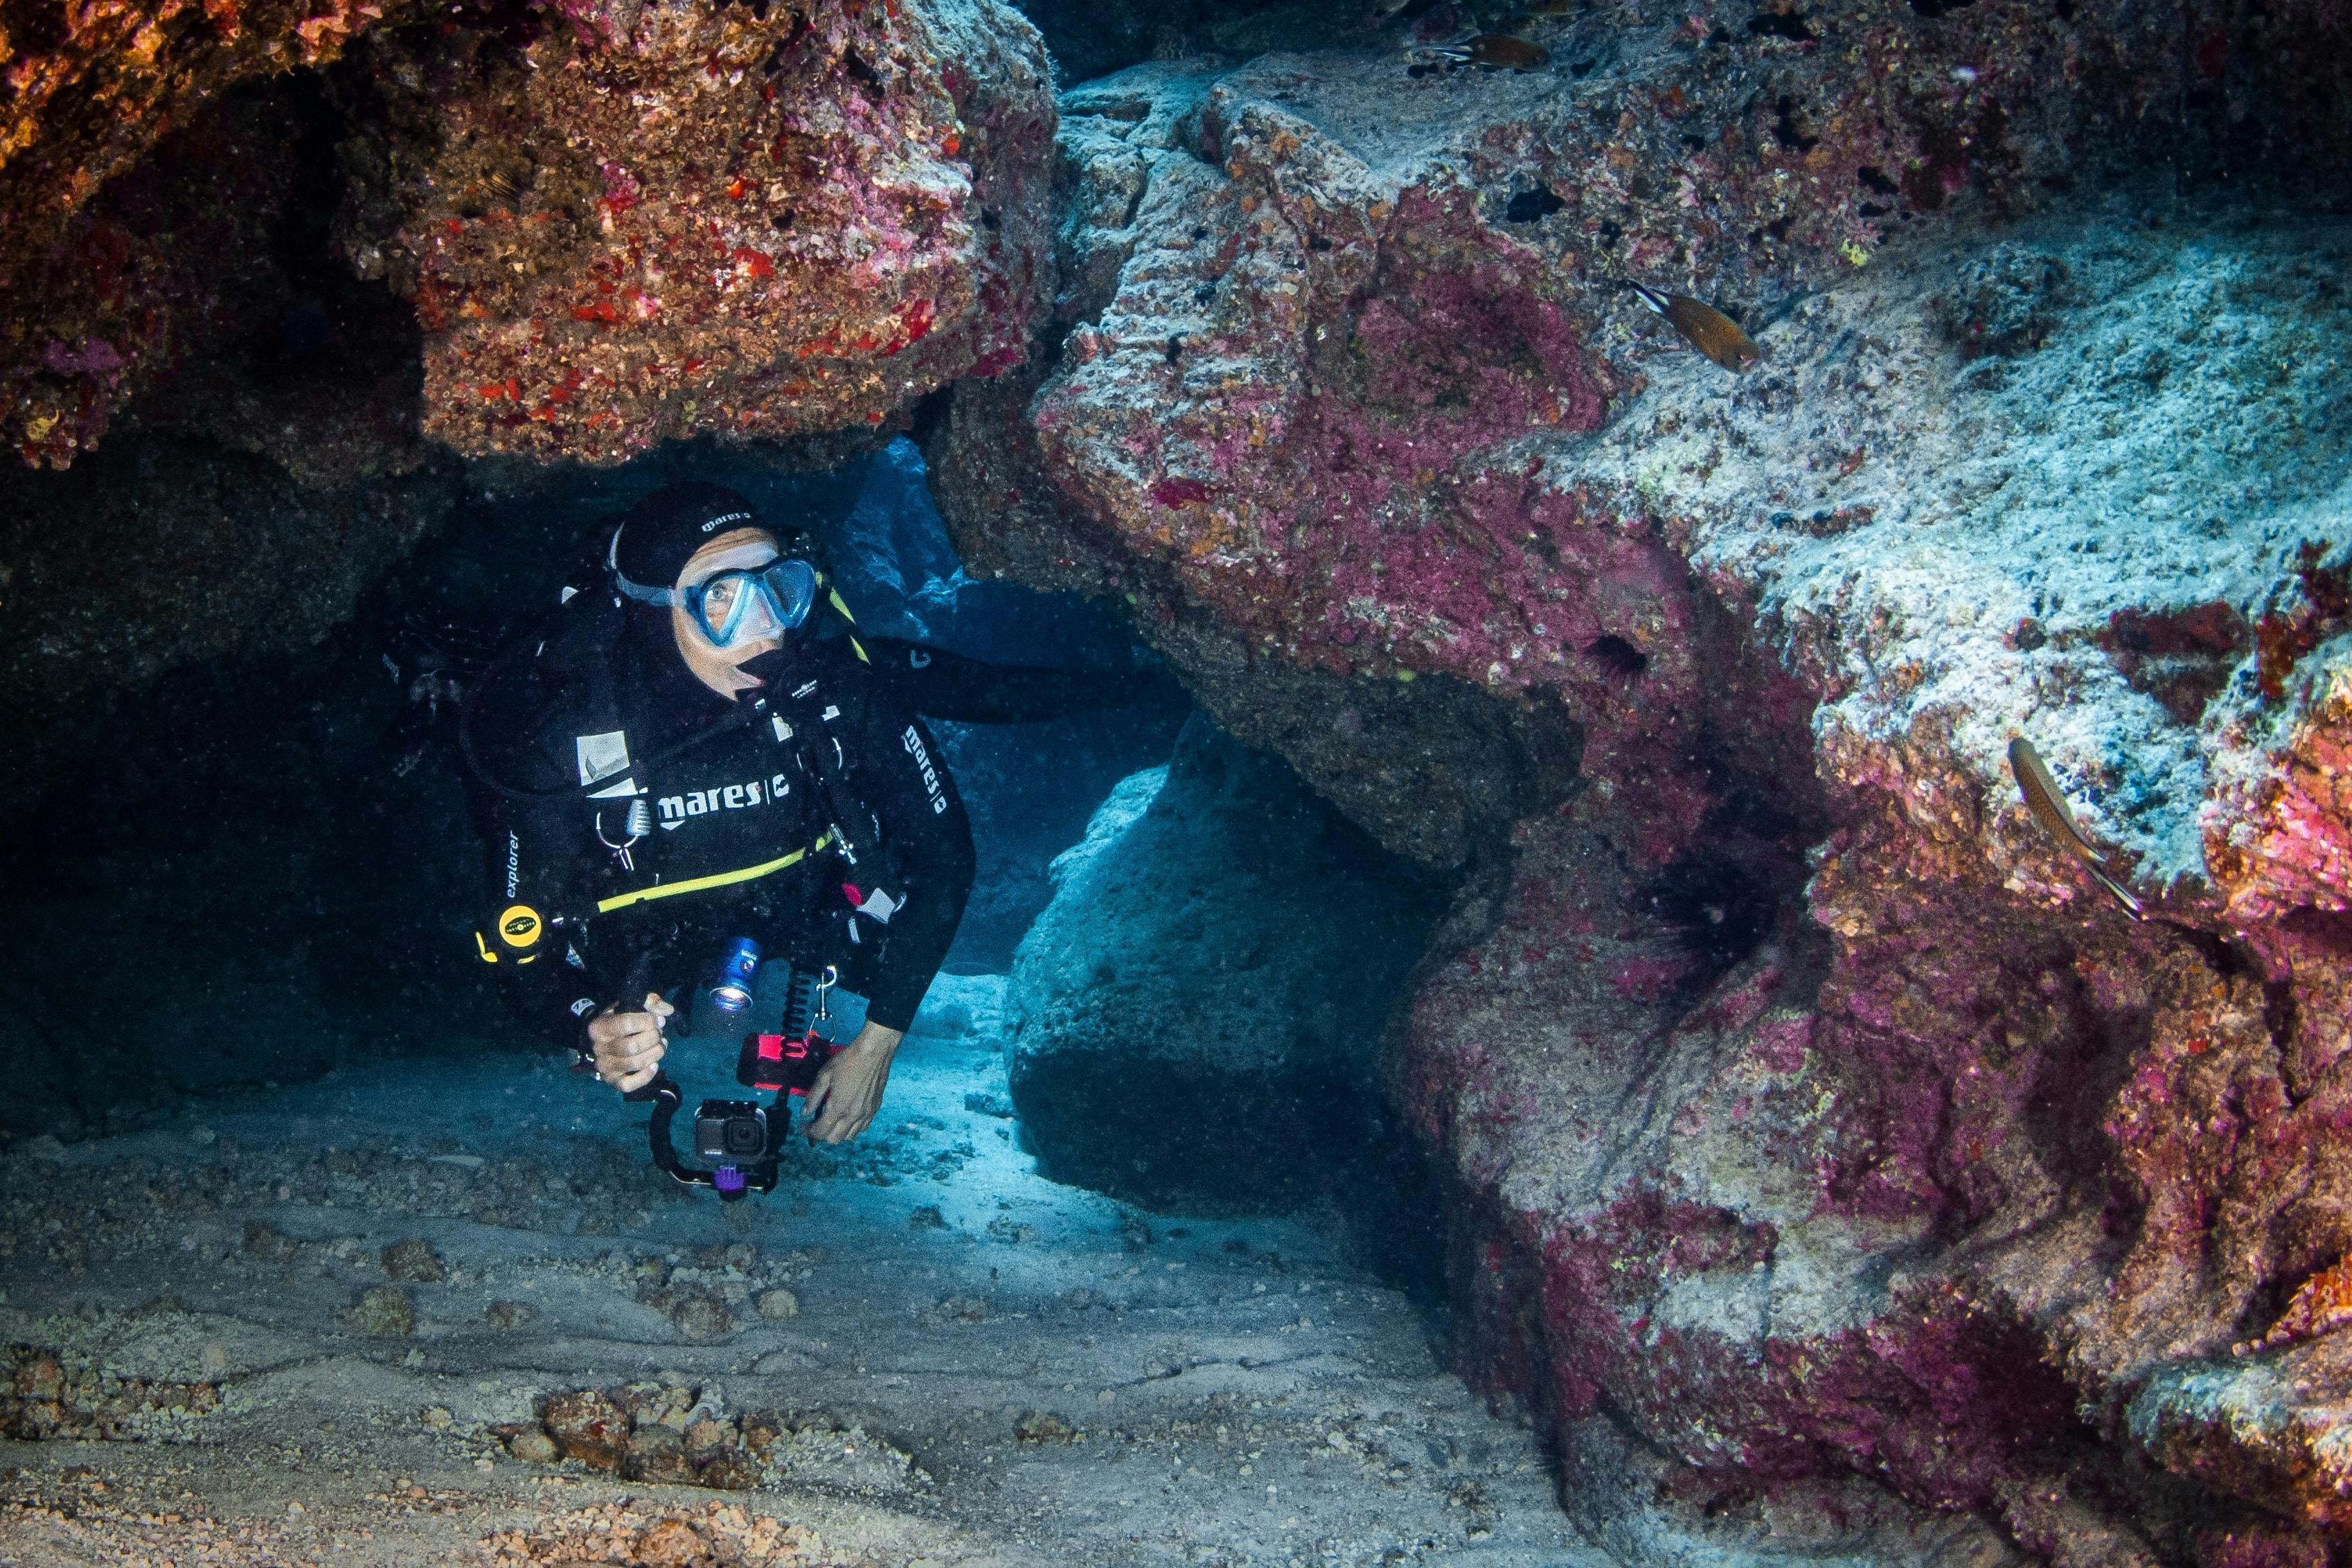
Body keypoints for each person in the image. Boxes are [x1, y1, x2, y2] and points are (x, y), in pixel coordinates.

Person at [459, 482, 975, 1144]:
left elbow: (946, 856)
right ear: (651, 615)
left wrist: (877, 1044)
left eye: (778, 586)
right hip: (644, 944)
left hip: (801, 911)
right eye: (721, 598)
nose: (767, 627)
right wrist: (588, 1025)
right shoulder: (570, 742)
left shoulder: (836, 693)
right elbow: (512, 943)